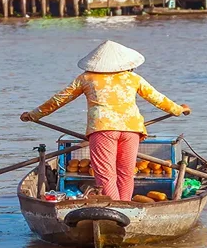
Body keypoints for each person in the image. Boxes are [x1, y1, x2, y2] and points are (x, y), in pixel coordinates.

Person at [20, 41, 190, 202]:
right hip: (131, 129)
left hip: (103, 129)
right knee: (126, 173)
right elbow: (158, 98)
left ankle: (115, 208)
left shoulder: (86, 78)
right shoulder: (133, 79)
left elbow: (59, 100)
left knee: (105, 174)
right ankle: (125, 208)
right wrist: (178, 110)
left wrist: (34, 115)